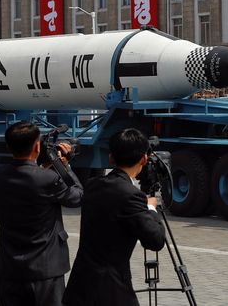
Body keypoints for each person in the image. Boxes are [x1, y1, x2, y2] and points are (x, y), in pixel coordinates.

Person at [64, 128, 165, 306]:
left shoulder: (92, 185)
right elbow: (155, 241)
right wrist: (150, 207)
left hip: (80, 287)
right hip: (110, 291)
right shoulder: (131, 195)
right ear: (144, 158)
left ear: (111, 158)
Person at [0, 121, 83, 306]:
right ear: (37, 146)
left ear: (8, 146)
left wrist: (44, 166)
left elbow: (29, 178)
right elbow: (77, 197)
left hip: (9, 269)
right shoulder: (48, 179)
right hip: (45, 271)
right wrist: (64, 166)